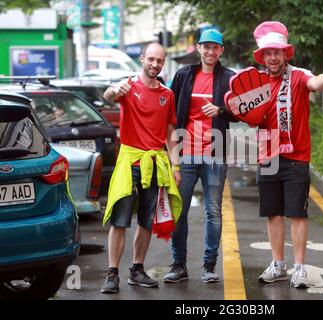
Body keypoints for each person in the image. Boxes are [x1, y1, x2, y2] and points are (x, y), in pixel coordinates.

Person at [252, 21, 323, 288]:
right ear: (263, 56)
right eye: (268, 53)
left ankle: (299, 268)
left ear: (285, 54)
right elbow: (242, 109)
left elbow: (315, 83)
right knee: (273, 213)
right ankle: (278, 264)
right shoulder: (256, 81)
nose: (273, 57)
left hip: (296, 156)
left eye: (277, 52)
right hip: (267, 156)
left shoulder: (298, 75)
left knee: (297, 214)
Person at [100, 43, 182, 294]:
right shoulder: (128, 86)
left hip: (156, 163)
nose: (155, 64)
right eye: (151, 59)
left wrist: (175, 165)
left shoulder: (167, 95)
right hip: (130, 161)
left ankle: (137, 269)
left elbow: (170, 133)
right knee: (120, 221)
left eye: (159, 61)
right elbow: (108, 95)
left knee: (146, 221)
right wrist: (115, 89)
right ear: (142, 59)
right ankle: (112, 274)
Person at [163, 29, 236, 283]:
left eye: (215, 47)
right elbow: (169, 111)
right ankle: (179, 264)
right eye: (206, 47)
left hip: (214, 155)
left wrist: (221, 109)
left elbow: (240, 112)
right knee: (178, 210)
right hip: (185, 155)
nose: (210, 51)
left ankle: (209, 265)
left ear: (221, 51)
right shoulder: (184, 75)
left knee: (213, 212)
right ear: (198, 49)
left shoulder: (228, 78)